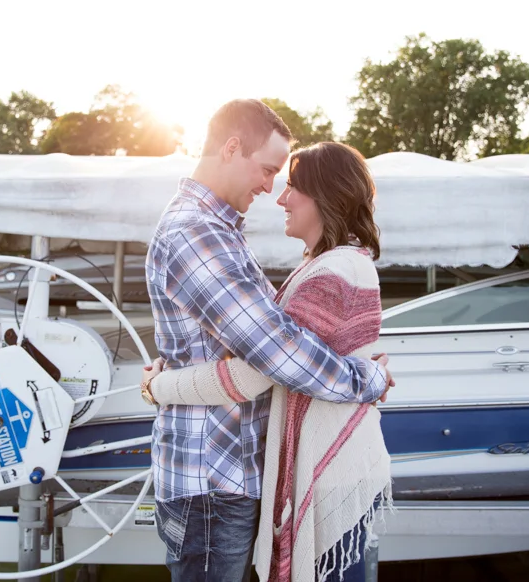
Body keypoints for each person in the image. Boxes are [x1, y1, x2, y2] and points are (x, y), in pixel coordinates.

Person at [142, 100, 393, 582]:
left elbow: (251, 346)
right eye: (268, 170)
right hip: (212, 478)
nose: (270, 188)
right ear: (232, 147)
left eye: (285, 180)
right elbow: (275, 351)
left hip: (224, 477)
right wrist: (368, 378)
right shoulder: (195, 234)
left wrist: (163, 381)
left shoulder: (219, 231)